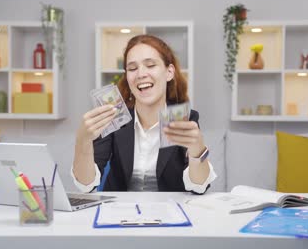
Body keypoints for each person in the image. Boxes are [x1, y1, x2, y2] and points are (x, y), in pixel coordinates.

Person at [71, 34, 216, 194]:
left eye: (150, 65)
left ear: (169, 72)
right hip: (118, 213)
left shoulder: (182, 118)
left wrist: (198, 151)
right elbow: (86, 184)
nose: (141, 74)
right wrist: (82, 141)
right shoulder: (115, 116)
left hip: (169, 212)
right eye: (132, 68)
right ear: (127, 76)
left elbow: (199, 186)